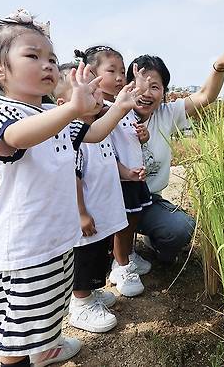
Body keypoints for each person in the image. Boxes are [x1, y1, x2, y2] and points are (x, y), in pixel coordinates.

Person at [0, 9, 135, 367]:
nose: (48, 64)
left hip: (55, 234)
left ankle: (47, 348)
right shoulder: (4, 114)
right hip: (27, 241)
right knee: (20, 326)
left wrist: (118, 109)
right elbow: (17, 139)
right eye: (33, 56)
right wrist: (72, 111)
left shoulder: (49, 113)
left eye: (51, 57)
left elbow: (92, 134)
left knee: (51, 302)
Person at [129, 26, 224, 264]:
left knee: (181, 227)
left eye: (154, 86)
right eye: (139, 84)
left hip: (149, 199)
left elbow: (206, 95)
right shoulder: (112, 116)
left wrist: (220, 66)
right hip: (114, 203)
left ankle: (154, 244)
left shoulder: (165, 114)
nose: (146, 93)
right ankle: (115, 255)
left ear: (164, 91)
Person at [53, 62, 148, 332]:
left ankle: (92, 292)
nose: (98, 97)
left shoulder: (96, 129)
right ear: (64, 103)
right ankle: (81, 303)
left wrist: (127, 173)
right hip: (89, 214)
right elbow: (74, 176)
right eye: (90, 92)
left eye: (96, 90)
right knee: (85, 256)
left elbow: (110, 160)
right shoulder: (73, 135)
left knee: (101, 253)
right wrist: (81, 212)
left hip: (104, 210)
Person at [74, 46, 152, 297]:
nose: (120, 77)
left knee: (133, 220)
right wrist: (132, 94)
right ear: (92, 75)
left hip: (132, 175)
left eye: (122, 71)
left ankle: (126, 257)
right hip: (120, 178)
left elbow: (130, 131)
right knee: (122, 225)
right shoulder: (100, 107)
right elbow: (111, 118)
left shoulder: (121, 104)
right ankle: (121, 266)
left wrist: (143, 134)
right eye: (112, 71)